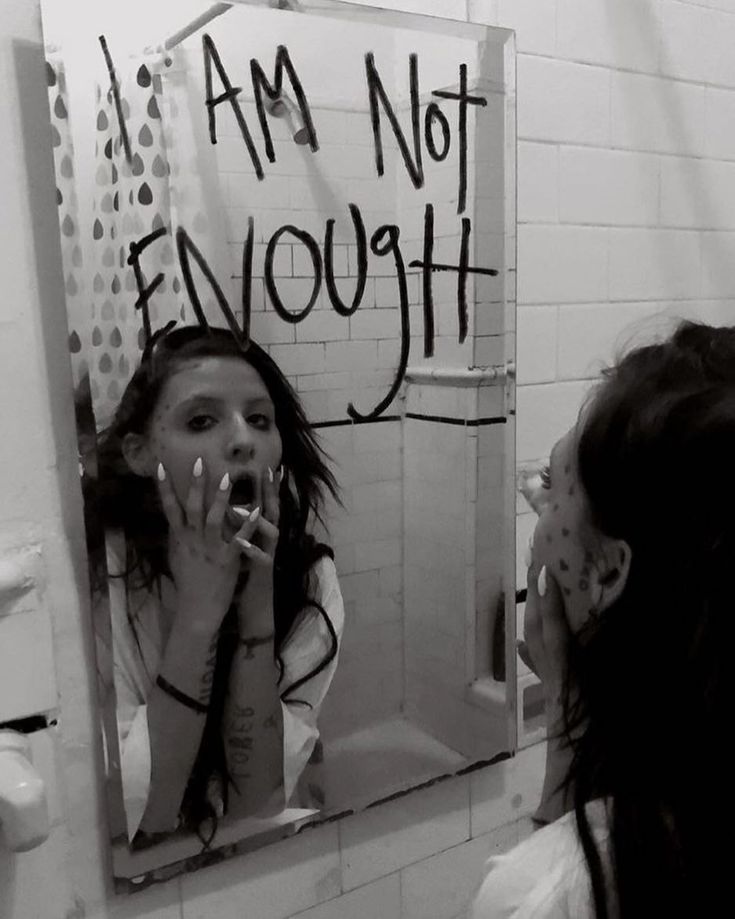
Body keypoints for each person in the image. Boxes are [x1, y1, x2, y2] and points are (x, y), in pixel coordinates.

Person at [470, 320, 732, 918]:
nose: (536, 513)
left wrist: (566, 728)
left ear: (611, 573)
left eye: (551, 484)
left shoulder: (548, 893)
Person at [90, 324, 344, 845]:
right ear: (140, 454)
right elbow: (148, 814)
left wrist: (256, 608)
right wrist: (199, 617)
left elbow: (256, 808)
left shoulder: (310, 580)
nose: (243, 440)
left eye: (258, 419)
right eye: (201, 419)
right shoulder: (100, 575)